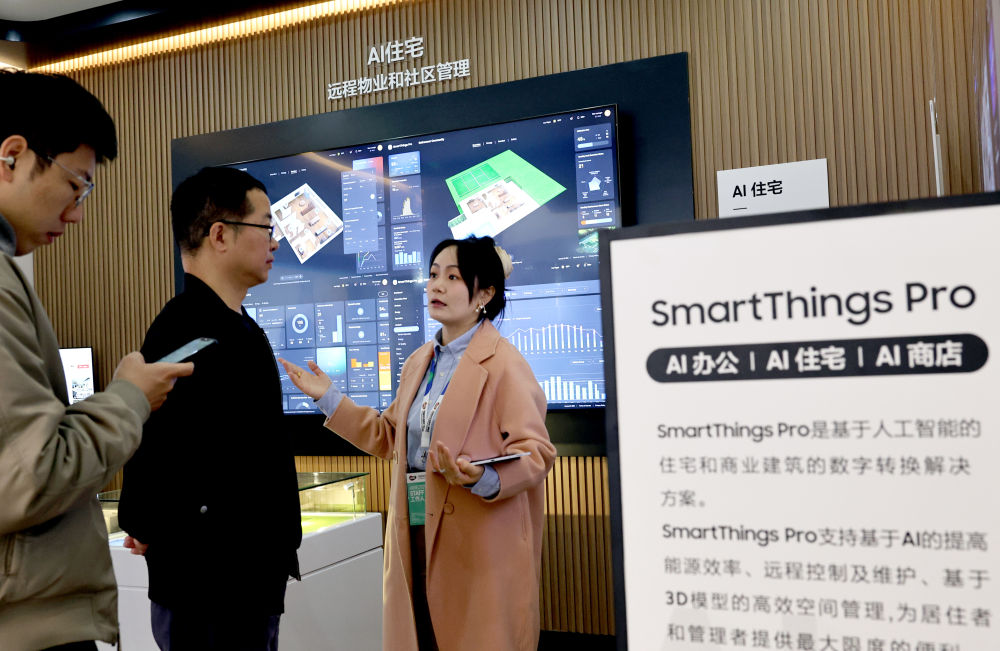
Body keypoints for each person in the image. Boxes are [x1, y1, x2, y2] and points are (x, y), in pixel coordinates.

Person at [280, 236, 555, 651]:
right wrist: (329, 398)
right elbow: (387, 436)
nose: (436, 285)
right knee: (420, 635)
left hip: (476, 542)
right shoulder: (420, 361)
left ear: (484, 294)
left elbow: (537, 453)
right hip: (414, 531)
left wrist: (482, 476)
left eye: (453, 277)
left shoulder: (505, 364)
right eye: (433, 275)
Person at [0, 70, 194, 651]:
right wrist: (129, 396)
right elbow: (33, 474)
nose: (77, 213)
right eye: (76, 185)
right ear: (12, 156)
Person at [117, 166, 302, 651]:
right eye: (266, 226)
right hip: (209, 591)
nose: (275, 242)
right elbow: (150, 440)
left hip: (244, 585)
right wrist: (145, 521)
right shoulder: (186, 331)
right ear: (220, 235)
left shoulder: (239, 326)